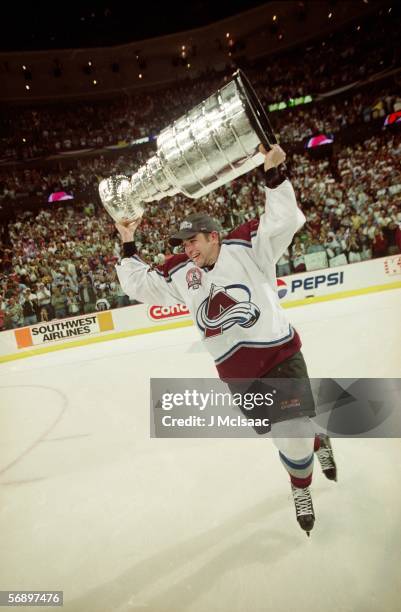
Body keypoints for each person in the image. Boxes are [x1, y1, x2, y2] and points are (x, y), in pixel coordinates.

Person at [115, 144, 337, 536]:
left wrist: (274, 175)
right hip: (238, 376)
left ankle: (300, 486)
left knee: (293, 433)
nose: (187, 250)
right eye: (182, 245)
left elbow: (284, 219)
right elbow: (141, 284)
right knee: (281, 437)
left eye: (192, 241)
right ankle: (316, 440)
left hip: (279, 356)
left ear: (213, 236)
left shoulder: (247, 245)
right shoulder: (181, 272)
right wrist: (128, 241)